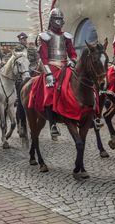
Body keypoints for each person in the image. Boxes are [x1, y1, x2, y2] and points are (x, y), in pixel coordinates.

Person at [36, 8, 78, 138]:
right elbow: (43, 58)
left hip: (66, 66)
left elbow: (72, 53)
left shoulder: (67, 36)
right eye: (56, 19)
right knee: (50, 90)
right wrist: (48, 74)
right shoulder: (44, 36)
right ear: (51, 20)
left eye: (60, 19)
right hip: (51, 66)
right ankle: (52, 124)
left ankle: (87, 114)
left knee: (80, 84)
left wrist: (72, 61)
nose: (58, 22)